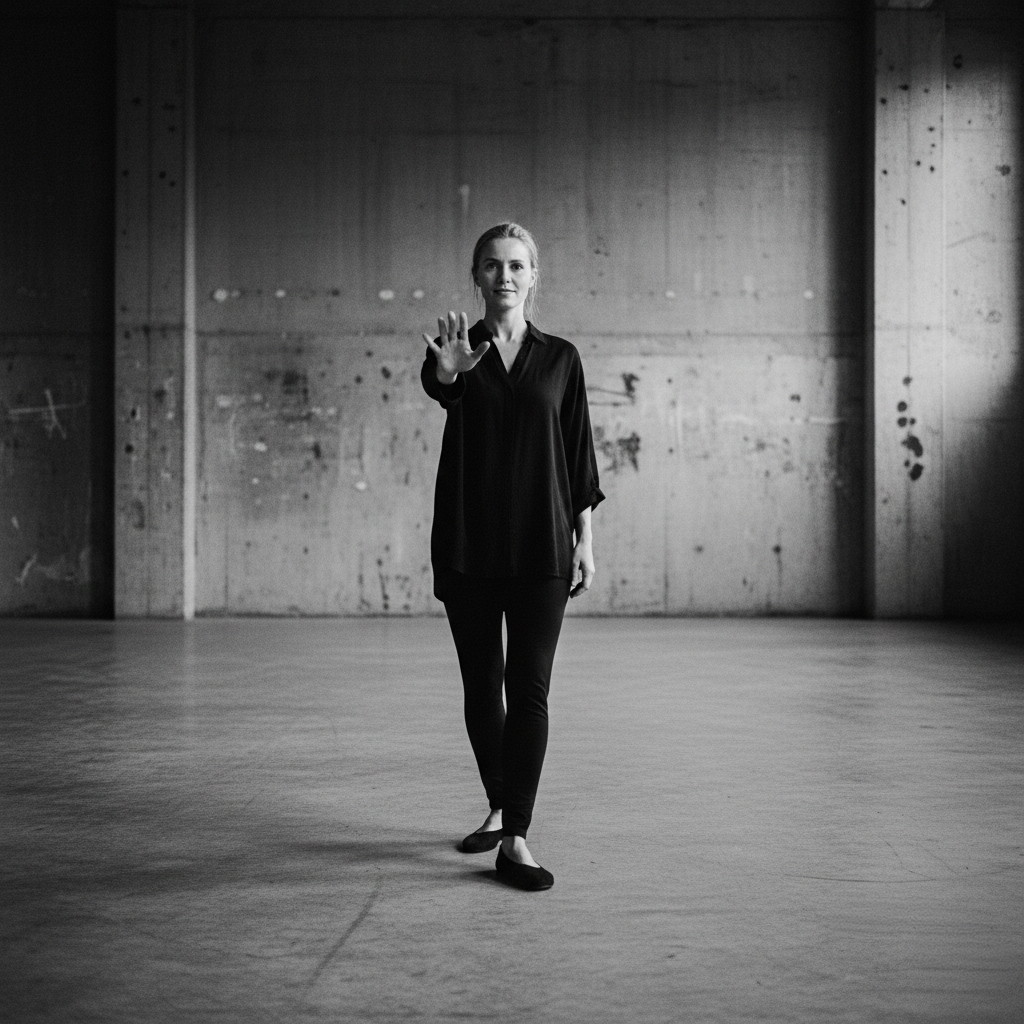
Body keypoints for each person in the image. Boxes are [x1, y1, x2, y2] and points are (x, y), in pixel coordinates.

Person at [419, 222, 605, 891]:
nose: (505, 277)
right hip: (469, 546)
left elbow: (579, 452)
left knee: (529, 690)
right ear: (476, 276)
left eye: (517, 266)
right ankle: (498, 806)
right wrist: (446, 374)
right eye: (493, 266)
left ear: (534, 277)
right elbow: (441, 385)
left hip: (542, 546)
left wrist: (586, 538)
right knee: (481, 686)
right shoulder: (456, 352)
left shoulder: (561, 359)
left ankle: (516, 836)